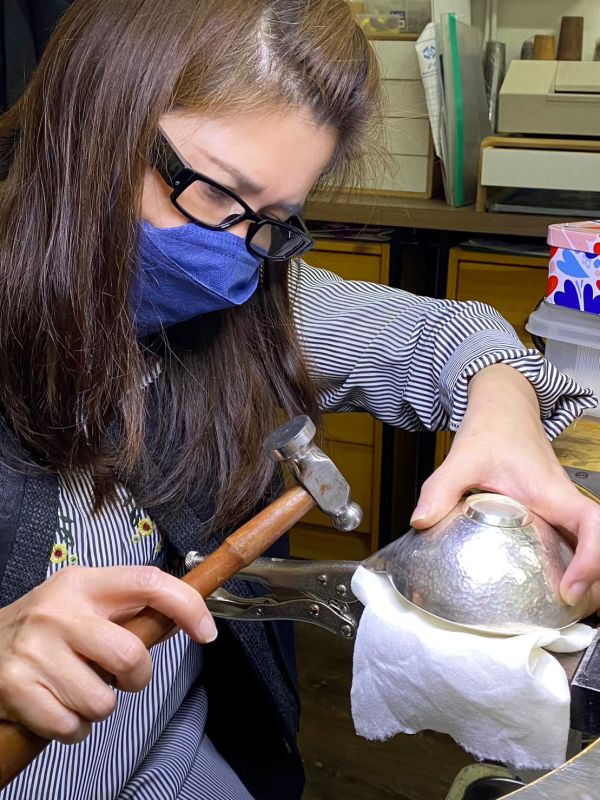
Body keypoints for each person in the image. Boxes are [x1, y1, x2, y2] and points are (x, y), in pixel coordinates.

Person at [0, 1, 598, 798]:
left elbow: (457, 335)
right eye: (213, 192)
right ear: (90, 120)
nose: (228, 259)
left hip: (180, 770)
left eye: (274, 220)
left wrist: (505, 416)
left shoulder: (249, 314)